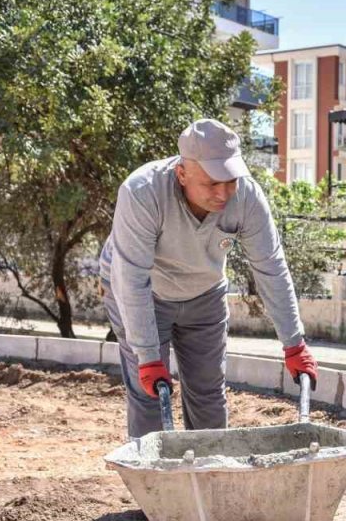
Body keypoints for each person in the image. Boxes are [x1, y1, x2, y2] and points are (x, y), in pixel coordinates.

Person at [100, 119, 317, 437]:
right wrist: (147, 356)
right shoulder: (142, 192)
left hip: (205, 294)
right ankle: (155, 484)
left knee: (209, 398)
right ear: (182, 174)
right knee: (150, 399)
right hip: (142, 294)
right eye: (212, 183)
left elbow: (270, 266)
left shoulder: (246, 197)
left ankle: (209, 478)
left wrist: (294, 343)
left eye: (230, 180)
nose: (224, 193)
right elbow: (131, 279)